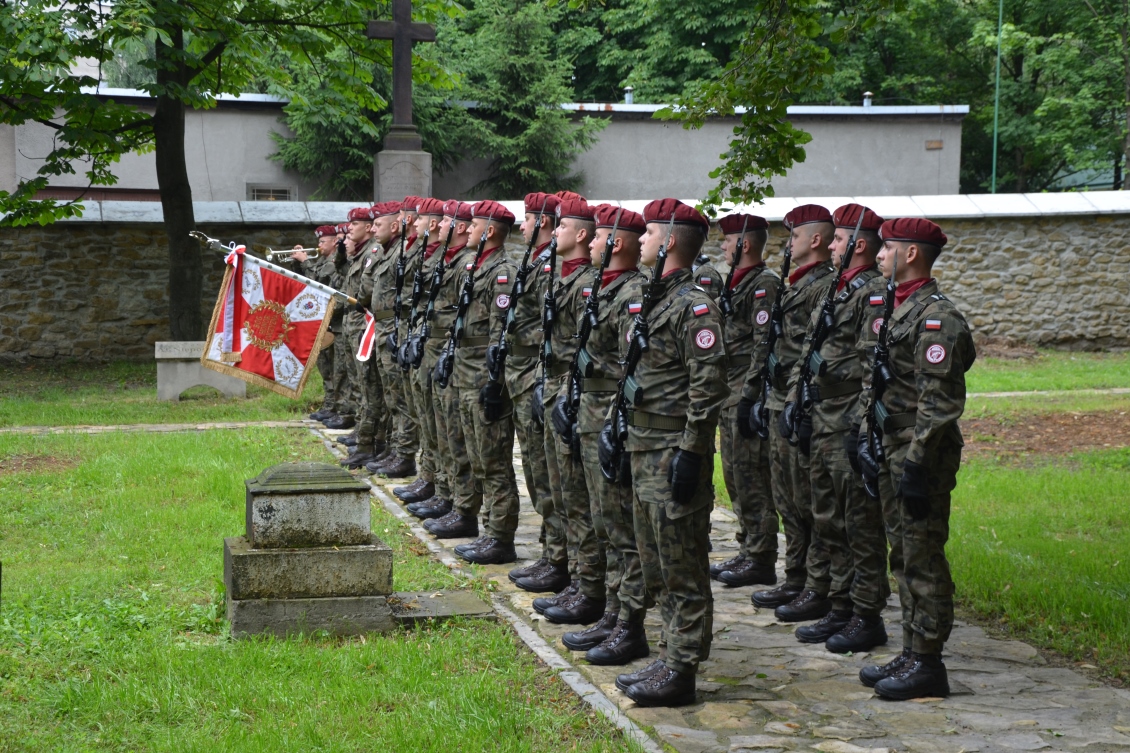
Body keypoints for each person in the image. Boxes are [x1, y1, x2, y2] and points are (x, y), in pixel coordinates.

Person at [610, 198, 728, 708]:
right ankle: (667, 653)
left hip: (671, 449)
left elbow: (708, 387)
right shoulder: (657, 298)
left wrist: (693, 453)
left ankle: (683, 667)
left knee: (682, 563)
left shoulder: (695, 306)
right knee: (656, 562)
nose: (645, 240)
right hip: (642, 445)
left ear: (672, 241)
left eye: (653, 233)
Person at [856, 217, 975, 700]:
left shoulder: (936, 318)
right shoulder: (894, 307)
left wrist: (917, 465)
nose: (878, 255)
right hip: (891, 444)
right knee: (902, 552)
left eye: (887, 249)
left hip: (918, 452)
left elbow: (939, 403)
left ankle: (928, 662)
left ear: (911, 255)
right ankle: (912, 647)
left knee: (922, 554)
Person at [790, 204, 890, 652]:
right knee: (827, 518)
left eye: (838, 239)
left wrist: (863, 427)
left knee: (859, 523)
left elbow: (874, 368)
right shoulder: (835, 289)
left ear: (859, 244)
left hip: (848, 417)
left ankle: (866, 615)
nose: (830, 245)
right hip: (823, 416)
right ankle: (840, 603)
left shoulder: (873, 295)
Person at [560, 205, 651, 666]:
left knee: (620, 527)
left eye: (599, 237)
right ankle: (613, 610)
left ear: (617, 243)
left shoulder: (635, 292)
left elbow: (631, 367)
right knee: (601, 520)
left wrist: (612, 416)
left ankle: (628, 622)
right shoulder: (602, 286)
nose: (591, 242)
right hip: (588, 412)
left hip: (610, 418)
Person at [745, 205, 836, 622]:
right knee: (787, 497)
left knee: (808, 499)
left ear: (814, 240)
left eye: (795, 236)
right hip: (781, 398)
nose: (788, 243)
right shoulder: (796, 283)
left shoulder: (823, 286)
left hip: (803, 404)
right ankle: (797, 576)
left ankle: (818, 584)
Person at [535, 197, 604, 625]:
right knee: (559, 491)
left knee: (580, 500)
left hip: (579, 395)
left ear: (580, 234)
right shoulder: (562, 280)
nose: (550, 233)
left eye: (561, 227)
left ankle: (587, 583)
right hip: (556, 388)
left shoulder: (586, 285)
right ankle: (573, 574)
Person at [444, 200, 522, 565]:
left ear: (489, 230)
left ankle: (500, 537)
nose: (467, 229)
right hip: (464, 369)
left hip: (482, 374)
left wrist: (495, 380)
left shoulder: (503, 271)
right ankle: (487, 529)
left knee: (493, 461)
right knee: (476, 457)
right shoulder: (475, 266)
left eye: (474, 225)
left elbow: (499, 330)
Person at [504, 193, 570, 593]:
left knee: (549, 475)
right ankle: (552, 551)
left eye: (528, 220)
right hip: (527, 372)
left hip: (538, 372)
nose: (523, 227)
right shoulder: (536, 261)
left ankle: (560, 557)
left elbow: (553, 331)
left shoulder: (554, 267)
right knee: (535, 468)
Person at [713, 213, 782, 588]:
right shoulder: (735, 283)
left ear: (745, 244)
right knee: (735, 476)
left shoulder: (763, 285)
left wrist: (750, 395)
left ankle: (761, 556)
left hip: (745, 390)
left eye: (727, 240)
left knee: (752, 477)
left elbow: (763, 343)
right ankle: (747, 549)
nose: (722, 246)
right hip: (730, 388)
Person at [422, 202, 483, 539]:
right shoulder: (448, 260)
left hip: (468, 363)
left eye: (447, 220)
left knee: (465, 444)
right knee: (443, 433)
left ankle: (462, 509)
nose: (438, 225)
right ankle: (448, 497)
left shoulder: (469, 264)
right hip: (447, 354)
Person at [395, 198, 447, 508]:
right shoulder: (426, 253)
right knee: (425, 417)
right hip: (420, 341)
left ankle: (444, 491)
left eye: (418, 218)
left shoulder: (447, 258)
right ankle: (430, 478)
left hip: (442, 349)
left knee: (442, 428)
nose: (412, 223)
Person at [364, 200, 419, 479]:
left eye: (378, 225)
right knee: (392, 395)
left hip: (399, 328)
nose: (373, 230)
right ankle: (396, 450)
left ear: (397, 225)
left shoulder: (409, 252)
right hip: (385, 328)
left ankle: (405, 454)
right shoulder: (391, 252)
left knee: (401, 397)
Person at [292, 225, 342, 423]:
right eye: (318, 242)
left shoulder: (334, 262)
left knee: (335, 369)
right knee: (325, 367)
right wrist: (298, 264)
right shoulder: (322, 260)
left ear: (333, 242)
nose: (319, 245)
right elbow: (306, 281)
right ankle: (330, 404)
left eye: (323, 242)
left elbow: (318, 282)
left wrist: (305, 261)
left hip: (334, 322)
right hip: (323, 321)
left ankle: (336, 406)